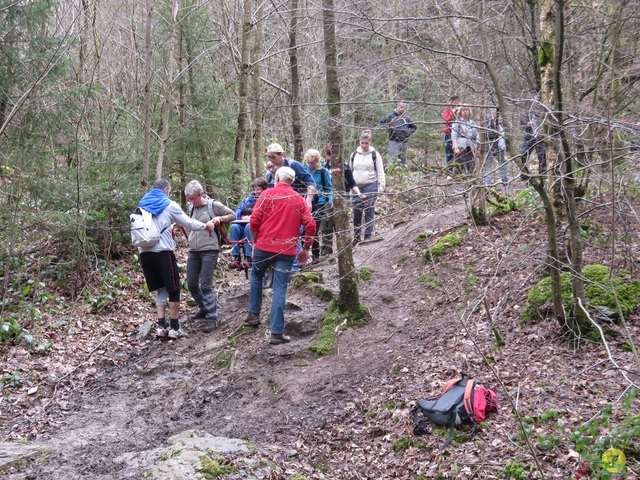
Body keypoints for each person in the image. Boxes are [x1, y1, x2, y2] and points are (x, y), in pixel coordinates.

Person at [243, 166, 317, 345]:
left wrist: (254, 243)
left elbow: (254, 221)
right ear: (292, 181)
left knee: (256, 275)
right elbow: (311, 225)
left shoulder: (266, 195)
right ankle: (276, 332)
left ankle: (253, 314)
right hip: (286, 250)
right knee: (280, 288)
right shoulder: (298, 199)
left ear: (276, 178)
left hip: (264, 247)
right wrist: (306, 249)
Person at [137, 178, 216, 339]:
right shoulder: (169, 204)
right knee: (174, 289)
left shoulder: (142, 204)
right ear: (166, 190)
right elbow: (188, 223)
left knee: (161, 288)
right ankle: (174, 327)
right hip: (163, 253)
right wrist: (205, 226)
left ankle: (160, 326)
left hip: (144, 252)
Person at [184, 180, 236, 333]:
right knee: (192, 284)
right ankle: (203, 308)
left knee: (206, 284)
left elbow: (232, 215)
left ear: (201, 194)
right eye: (189, 199)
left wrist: (220, 219)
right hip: (193, 250)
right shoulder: (191, 208)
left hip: (210, 249)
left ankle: (212, 317)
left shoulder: (213, 205)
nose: (192, 201)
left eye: (194, 198)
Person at [351, 129, 385, 243]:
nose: (364, 145)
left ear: (370, 142)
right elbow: (350, 171)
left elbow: (380, 171)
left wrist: (381, 186)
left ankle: (368, 235)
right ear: (359, 142)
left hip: (371, 184)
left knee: (369, 208)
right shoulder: (354, 154)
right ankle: (356, 236)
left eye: (366, 143)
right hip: (356, 186)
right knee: (356, 211)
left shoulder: (375, 155)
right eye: (362, 143)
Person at [229, 177, 269, 268]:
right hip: (244, 223)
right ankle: (236, 257)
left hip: (260, 226)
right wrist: (242, 216)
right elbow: (238, 210)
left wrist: (253, 217)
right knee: (234, 227)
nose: (256, 192)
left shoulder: (268, 198)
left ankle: (249, 258)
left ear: (264, 188)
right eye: (254, 189)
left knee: (249, 226)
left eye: (258, 189)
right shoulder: (249, 199)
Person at [264, 143, 316, 208]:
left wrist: (308, 200)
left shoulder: (294, 165)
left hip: (300, 203)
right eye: (269, 157)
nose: (272, 160)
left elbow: (310, 181)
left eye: (273, 157)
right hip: (285, 205)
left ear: (281, 155)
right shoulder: (272, 172)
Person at [304, 148, 334, 262]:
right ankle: (312, 255)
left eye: (313, 162)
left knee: (318, 228)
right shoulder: (304, 171)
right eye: (309, 162)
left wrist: (330, 200)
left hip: (320, 203)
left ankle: (319, 254)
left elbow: (329, 188)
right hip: (306, 204)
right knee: (309, 230)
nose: (311, 164)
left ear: (317, 161)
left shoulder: (323, 172)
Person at [519, 101, 547, 178]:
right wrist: (527, 124)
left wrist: (538, 123)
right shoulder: (526, 113)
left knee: (542, 156)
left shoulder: (543, 113)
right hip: (529, 137)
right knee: (523, 154)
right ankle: (524, 175)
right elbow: (521, 126)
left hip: (540, 137)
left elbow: (547, 124)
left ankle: (543, 175)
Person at [484, 109, 509, 185]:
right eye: (494, 113)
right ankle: (488, 183)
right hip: (489, 146)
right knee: (488, 165)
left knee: (502, 163)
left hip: (499, 147)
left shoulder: (501, 123)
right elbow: (488, 134)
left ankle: (505, 180)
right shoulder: (487, 122)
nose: (496, 115)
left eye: (497, 114)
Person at [451, 105, 479, 173]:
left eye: (467, 110)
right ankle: (458, 181)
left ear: (469, 112)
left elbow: (476, 136)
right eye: (463, 110)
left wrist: (476, 148)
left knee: (471, 165)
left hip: (471, 146)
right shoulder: (457, 122)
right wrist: (456, 147)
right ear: (460, 112)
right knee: (459, 165)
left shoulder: (472, 123)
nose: (465, 112)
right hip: (461, 145)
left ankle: (471, 180)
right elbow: (454, 135)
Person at [442, 94, 461, 172]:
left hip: (459, 134)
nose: (454, 102)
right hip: (448, 134)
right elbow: (446, 121)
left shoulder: (461, 109)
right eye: (452, 100)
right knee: (449, 154)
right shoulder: (446, 111)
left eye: (456, 100)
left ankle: (458, 170)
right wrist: (452, 113)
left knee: (459, 154)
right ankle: (449, 171)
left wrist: (459, 109)